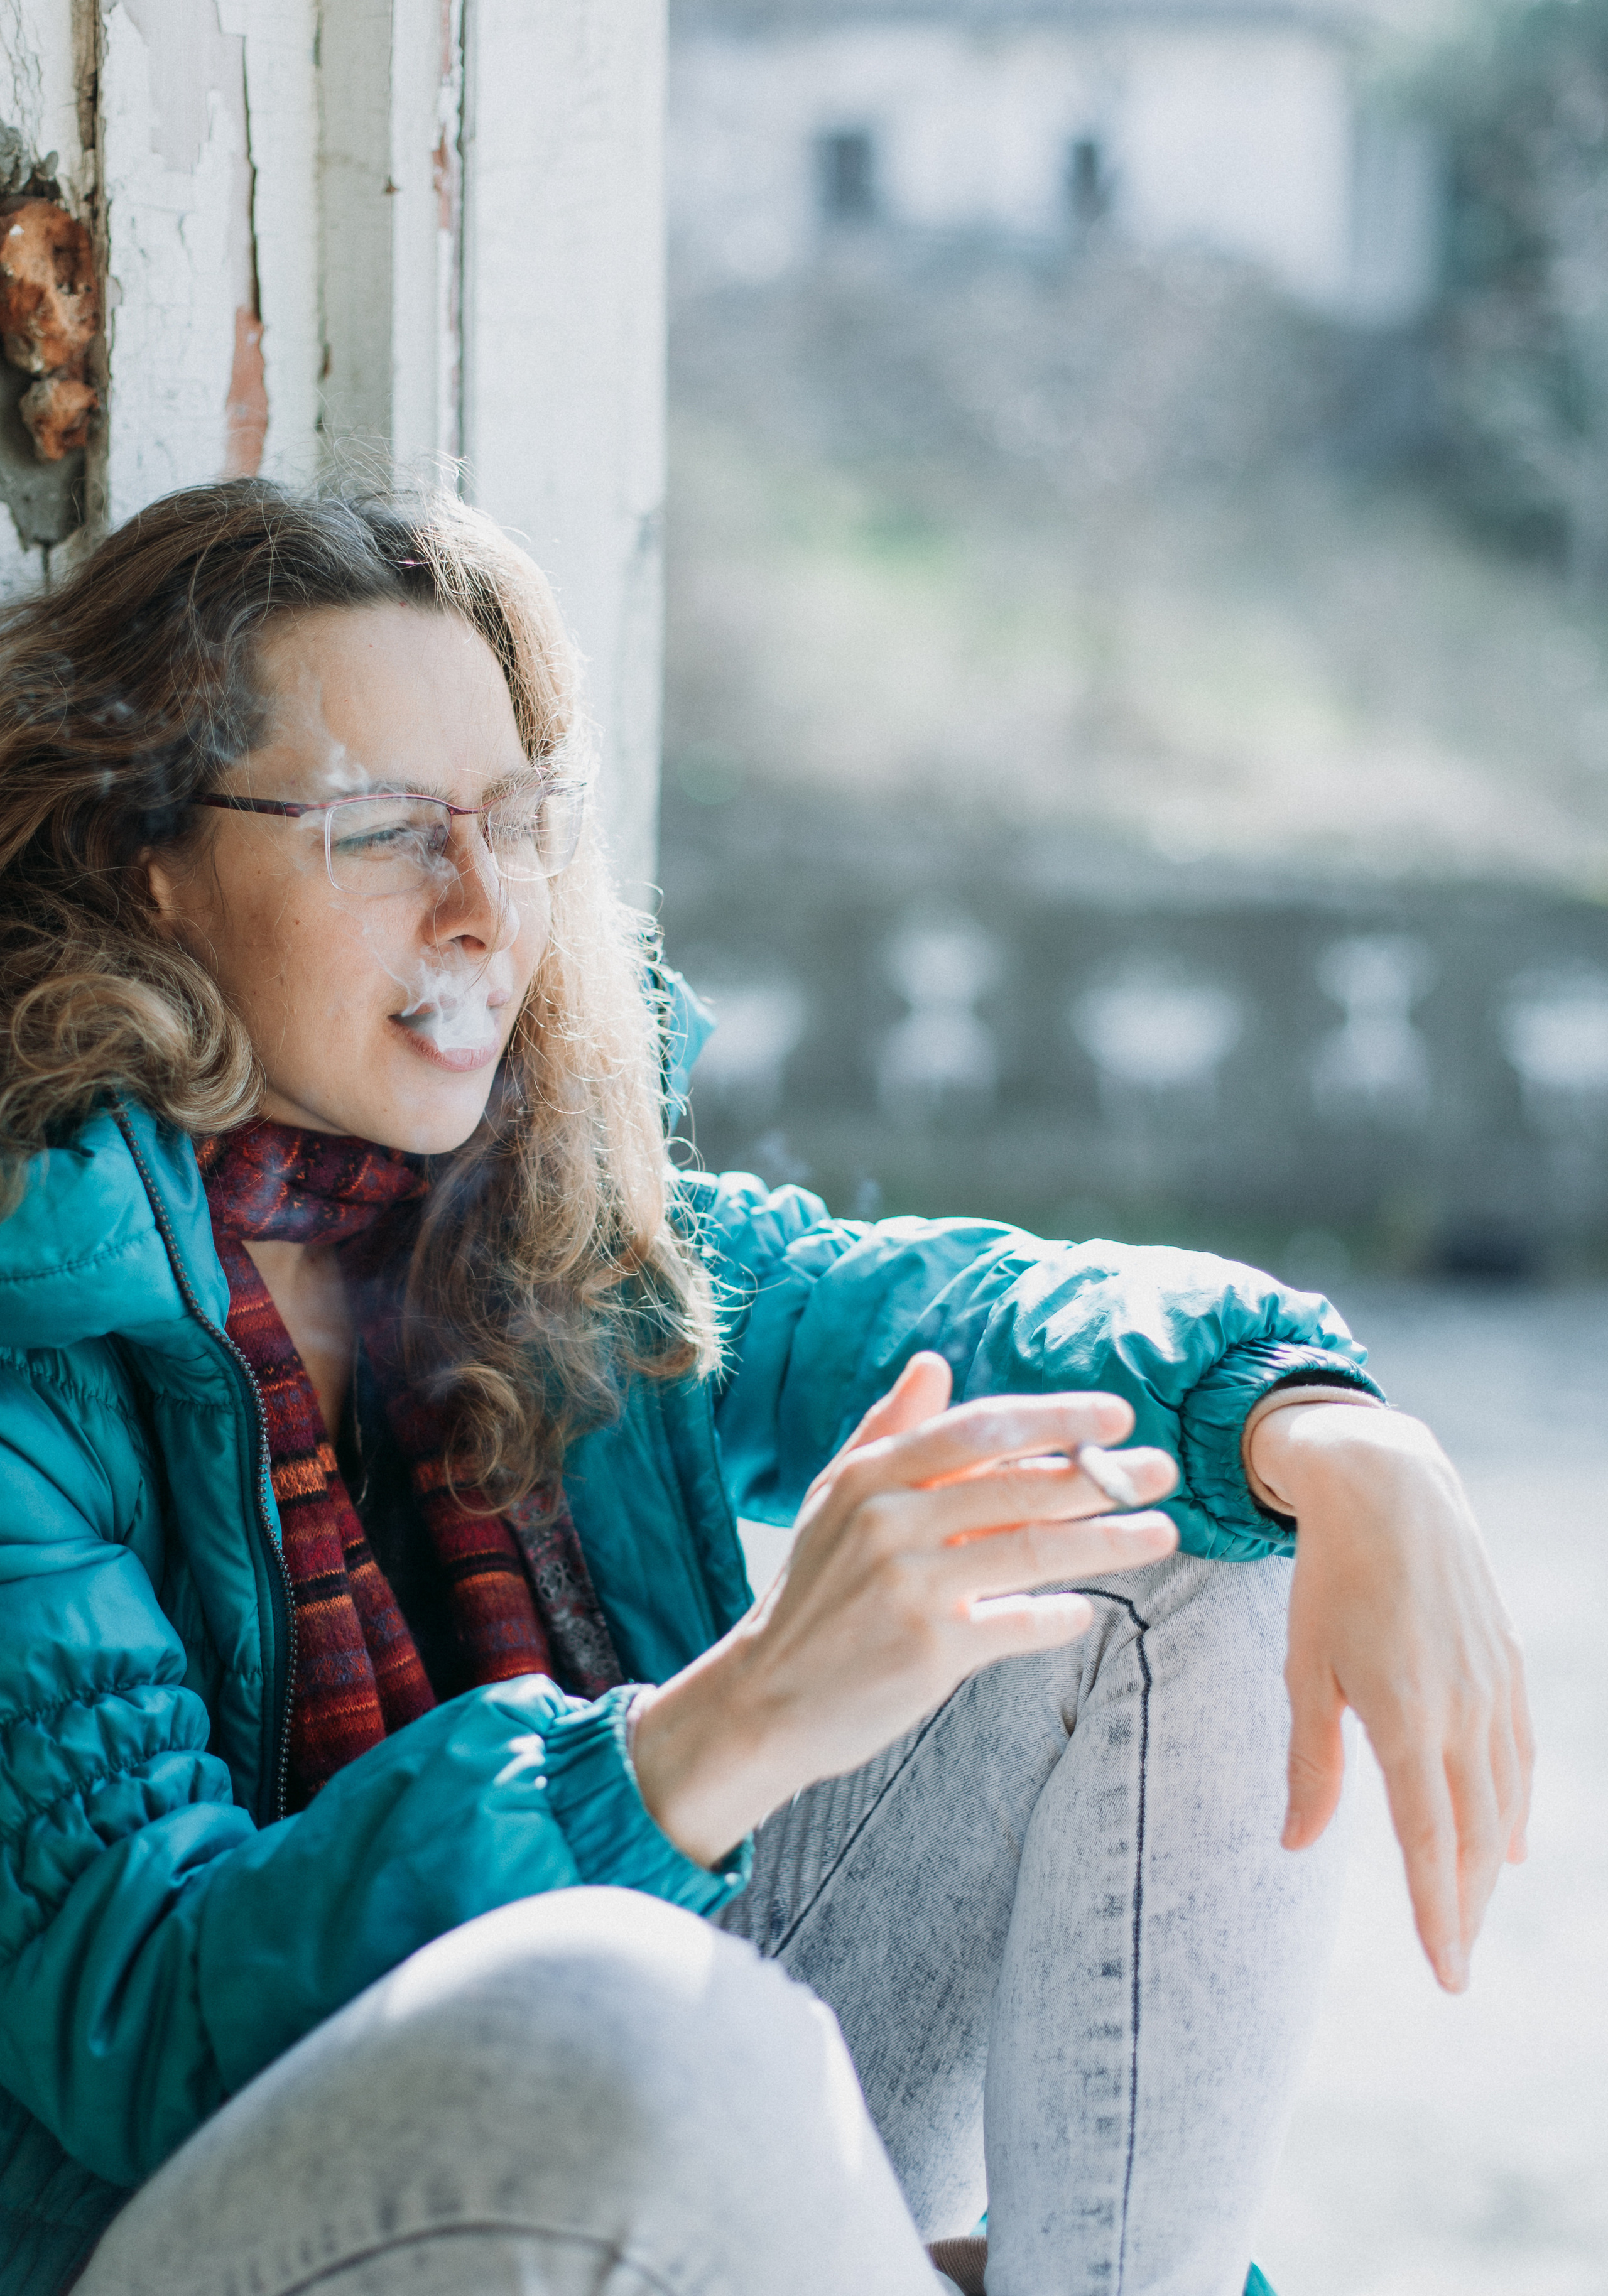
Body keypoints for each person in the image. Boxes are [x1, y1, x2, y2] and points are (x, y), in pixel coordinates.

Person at [0, 482, 1529, 2296]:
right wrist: (713, 1735)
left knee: (1161, 1535)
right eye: (386, 831)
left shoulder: (542, 1239)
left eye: (518, 821)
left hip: (652, 2138)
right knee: (630, 1982)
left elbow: (969, 1317)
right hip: (223, 2229)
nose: (487, 908)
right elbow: (148, 2017)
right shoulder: (34, 1335)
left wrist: (1329, 1424)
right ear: (151, 858)